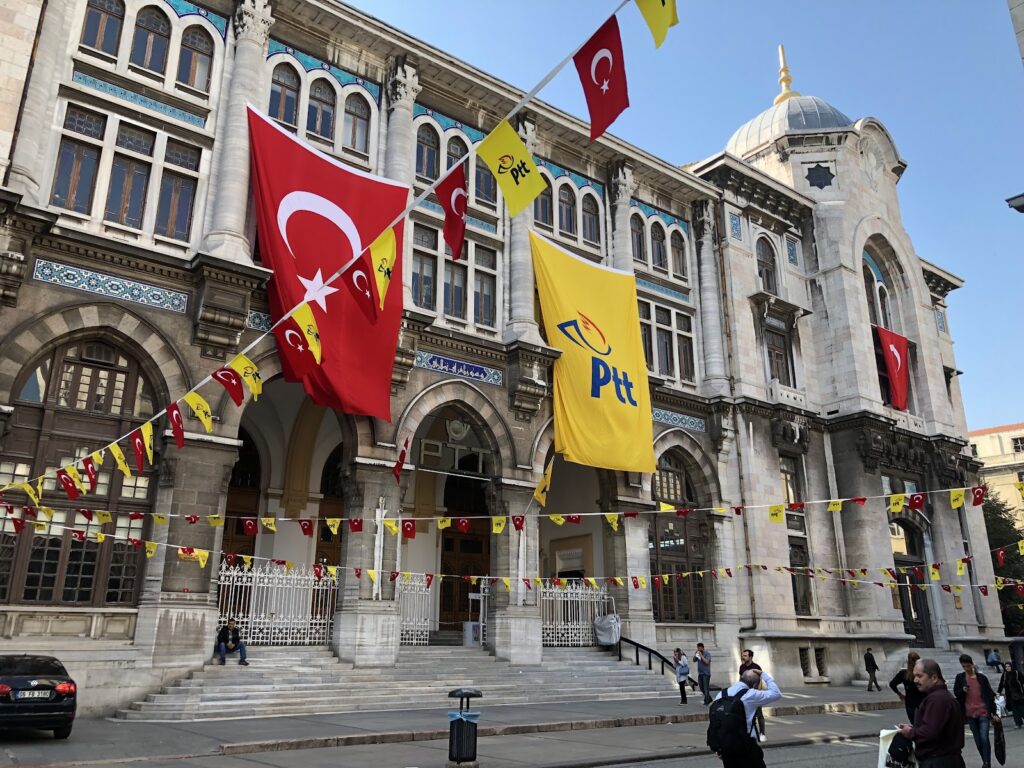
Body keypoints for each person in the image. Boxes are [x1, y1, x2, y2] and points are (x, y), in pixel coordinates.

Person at [898, 659, 965, 768]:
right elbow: (935, 727)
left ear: (934, 678)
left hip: (939, 761)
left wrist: (911, 732)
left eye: (919, 676)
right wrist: (914, 729)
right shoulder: (938, 697)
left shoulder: (937, 699)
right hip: (942, 760)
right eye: (914, 676)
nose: (915, 680)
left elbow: (930, 732)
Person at [711, 668, 782, 768]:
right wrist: (763, 675)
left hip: (726, 745)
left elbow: (716, 720)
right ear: (755, 685)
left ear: (741, 678)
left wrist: (719, 747)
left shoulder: (722, 694)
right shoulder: (751, 694)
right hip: (746, 745)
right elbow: (776, 693)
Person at [953, 653, 998, 768]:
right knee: (978, 741)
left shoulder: (981, 678)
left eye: (968, 666)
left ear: (972, 664)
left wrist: (994, 713)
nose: (966, 668)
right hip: (970, 714)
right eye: (963, 666)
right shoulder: (960, 678)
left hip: (983, 712)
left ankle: (987, 763)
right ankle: (985, 760)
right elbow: (956, 693)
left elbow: (990, 695)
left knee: (984, 738)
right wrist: (962, 690)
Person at [739, 649, 767, 742]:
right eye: (743, 655)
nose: (743, 657)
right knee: (746, 715)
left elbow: (760, 681)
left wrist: (758, 693)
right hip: (745, 694)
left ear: (750, 657)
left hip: (755, 693)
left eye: (745, 656)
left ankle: (762, 734)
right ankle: (749, 734)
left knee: (759, 714)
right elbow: (741, 679)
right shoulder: (742, 667)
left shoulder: (756, 667)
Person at [890, 650, 925, 724]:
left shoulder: (903, 674)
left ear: (908, 661)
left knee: (915, 724)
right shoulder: (923, 673)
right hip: (923, 702)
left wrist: (900, 694)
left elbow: (892, 684)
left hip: (910, 703)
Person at [998, 660, 1024, 728]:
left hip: (1019, 694)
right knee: (1015, 710)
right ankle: (1018, 723)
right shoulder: (1004, 675)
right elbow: (1001, 684)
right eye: (1006, 667)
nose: (1007, 668)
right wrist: (998, 692)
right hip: (1010, 695)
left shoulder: (1017, 673)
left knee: (1021, 708)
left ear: (1011, 666)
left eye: (1008, 666)